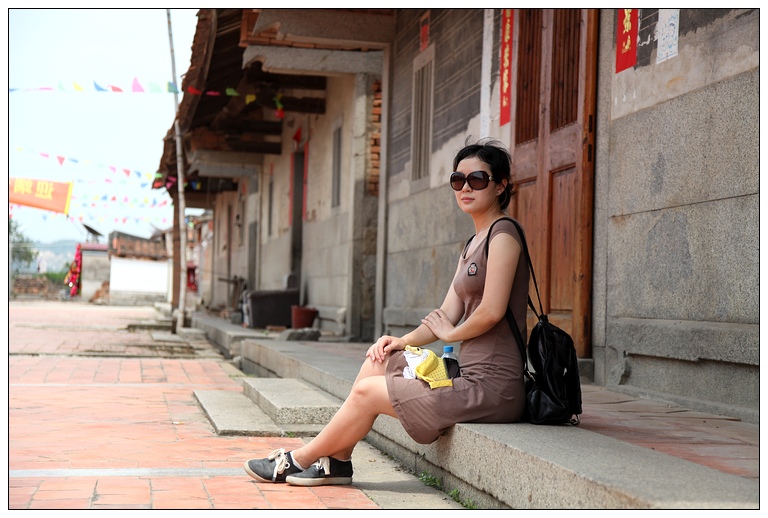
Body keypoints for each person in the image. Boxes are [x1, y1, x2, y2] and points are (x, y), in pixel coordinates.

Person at [244, 138, 529, 486]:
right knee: (378, 359)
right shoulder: (473, 243)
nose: (465, 188)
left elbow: (491, 312)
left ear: (500, 186)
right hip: (465, 375)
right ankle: (338, 461)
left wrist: (451, 335)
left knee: (367, 392)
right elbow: (445, 313)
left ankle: (298, 459)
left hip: (492, 387)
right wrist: (401, 341)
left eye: (477, 179)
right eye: (458, 180)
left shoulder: (504, 235)